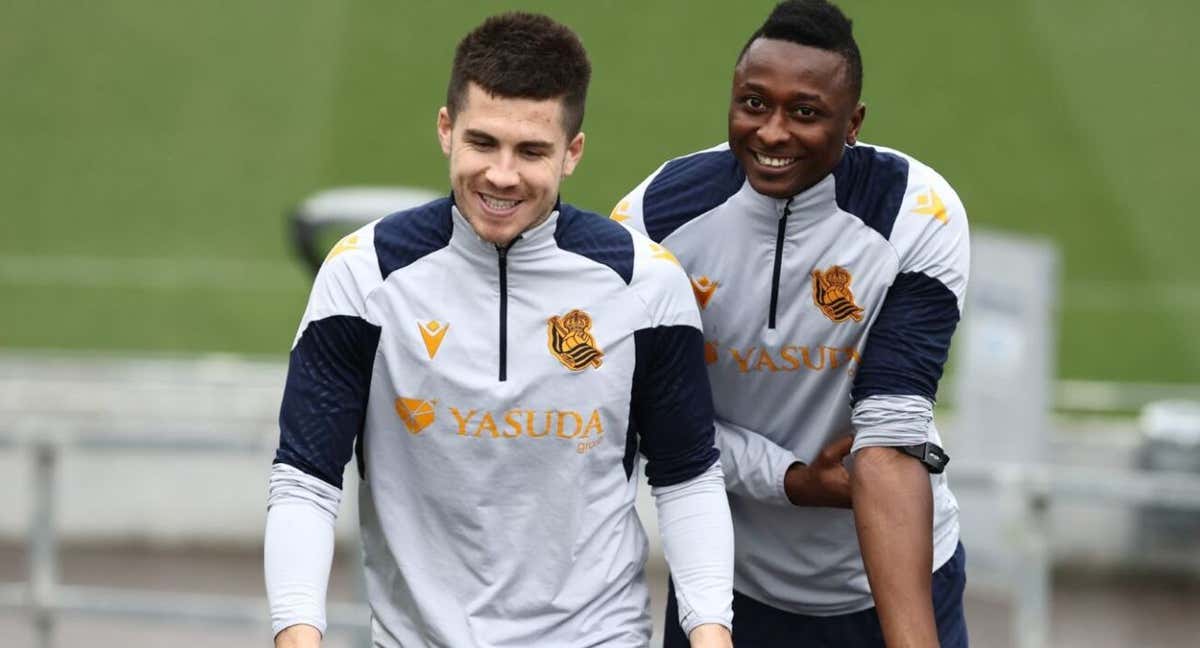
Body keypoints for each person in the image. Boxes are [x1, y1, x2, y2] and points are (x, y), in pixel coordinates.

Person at [264, 13, 734, 648]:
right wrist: (297, 635)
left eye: (532, 151)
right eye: (483, 143)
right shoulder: (362, 276)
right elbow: (306, 479)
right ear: (445, 130)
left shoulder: (646, 285)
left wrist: (711, 635)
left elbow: (687, 478)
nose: (503, 176)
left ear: (572, 152)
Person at [614, 1, 969, 646]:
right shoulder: (653, 220)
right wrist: (793, 481)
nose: (772, 132)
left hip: (893, 583)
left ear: (854, 121)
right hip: (725, 593)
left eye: (804, 112)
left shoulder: (916, 213)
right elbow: (659, 429)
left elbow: (889, 435)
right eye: (754, 104)